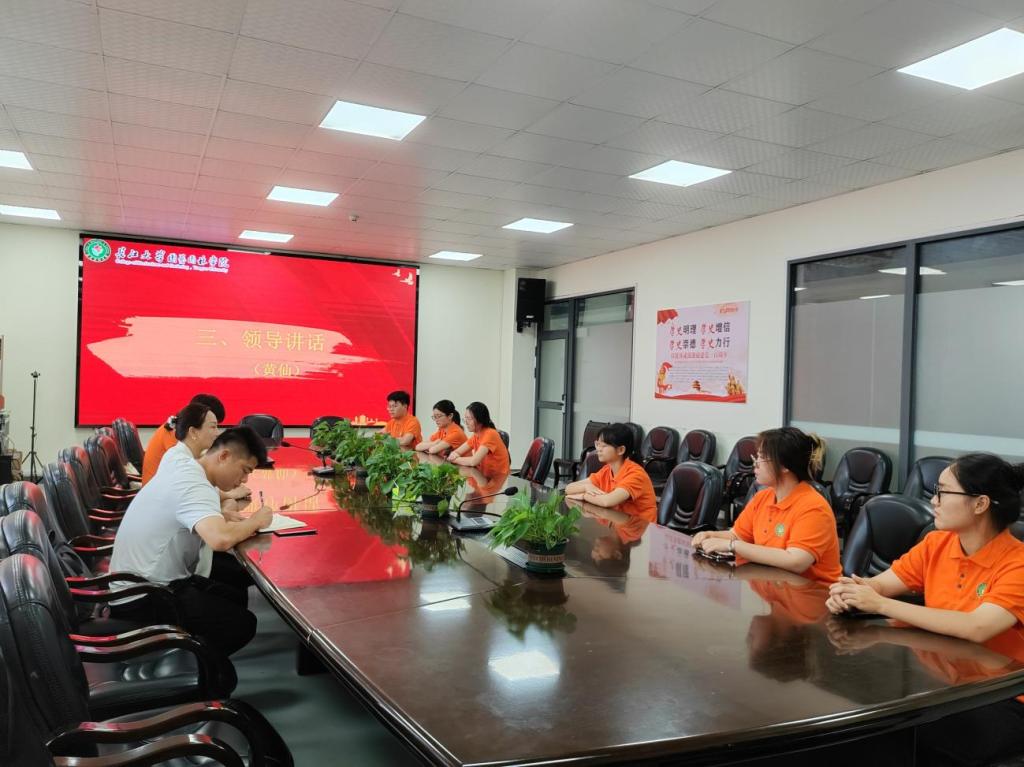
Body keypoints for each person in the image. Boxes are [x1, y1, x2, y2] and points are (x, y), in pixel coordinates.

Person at [827, 452, 1024, 766]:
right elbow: (878, 585)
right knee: (861, 720)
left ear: (980, 504)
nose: (933, 500)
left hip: (1003, 695)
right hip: (944, 684)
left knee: (892, 734)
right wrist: (848, 593)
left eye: (942, 492)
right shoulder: (937, 544)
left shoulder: (1017, 563)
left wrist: (880, 604)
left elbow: (977, 627)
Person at [109, 426, 273, 657]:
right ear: (224, 456)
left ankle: (201, 656)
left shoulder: (187, 467)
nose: (244, 479)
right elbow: (220, 539)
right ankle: (196, 665)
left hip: (141, 584)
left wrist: (222, 515)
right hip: (143, 597)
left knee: (234, 596)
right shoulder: (195, 485)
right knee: (241, 624)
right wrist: (256, 521)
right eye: (245, 470)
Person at [692, 427, 840, 583]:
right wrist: (710, 535)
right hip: (771, 584)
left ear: (784, 466)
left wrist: (733, 546)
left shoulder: (813, 507)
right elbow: (737, 535)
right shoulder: (763, 497)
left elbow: (796, 561)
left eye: (762, 458)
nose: (755, 464)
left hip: (811, 592)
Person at [564, 423, 657, 523]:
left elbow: (606, 501)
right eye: (598, 444)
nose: (598, 449)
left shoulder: (635, 474)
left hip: (640, 528)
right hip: (618, 524)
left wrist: (583, 496)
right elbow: (568, 488)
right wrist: (586, 487)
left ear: (621, 450)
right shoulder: (607, 470)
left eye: (604, 445)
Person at [141, 393, 225, 485]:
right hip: (155, 486)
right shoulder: (175, 434)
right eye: (212, 426)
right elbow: (191, 471)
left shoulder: (180, 430)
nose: (217, 432)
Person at [446, 401, 510, 476]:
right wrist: (454, 455)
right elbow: (457, 452)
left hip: (497, 477)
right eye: (465, 418)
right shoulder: (476, 435)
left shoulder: (490, 434)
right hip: (483, 474)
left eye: (469, 419)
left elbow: (473, 461)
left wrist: (455, 459)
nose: (466, 422)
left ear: (479, 419)